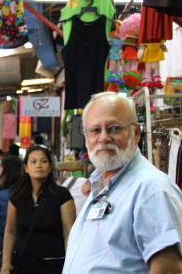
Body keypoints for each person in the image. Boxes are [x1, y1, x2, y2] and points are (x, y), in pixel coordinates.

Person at [63, 92, 182, 273]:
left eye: (114, 128)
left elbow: (169, 268)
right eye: (95, 130)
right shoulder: (101, 186)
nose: (103, 138)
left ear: (135, 133)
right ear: (86, 137)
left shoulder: (151, 188)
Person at [1, 145, 76, 274]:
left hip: (54, 264)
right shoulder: (17, 197)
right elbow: (10, 231)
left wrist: (70, 263)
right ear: (26, 168)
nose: (39, 165)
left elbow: (70, 232)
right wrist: (6, 263)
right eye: (33, 162)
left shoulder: (62, 195)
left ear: (50, 167)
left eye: (44, 161)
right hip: (23, 264)